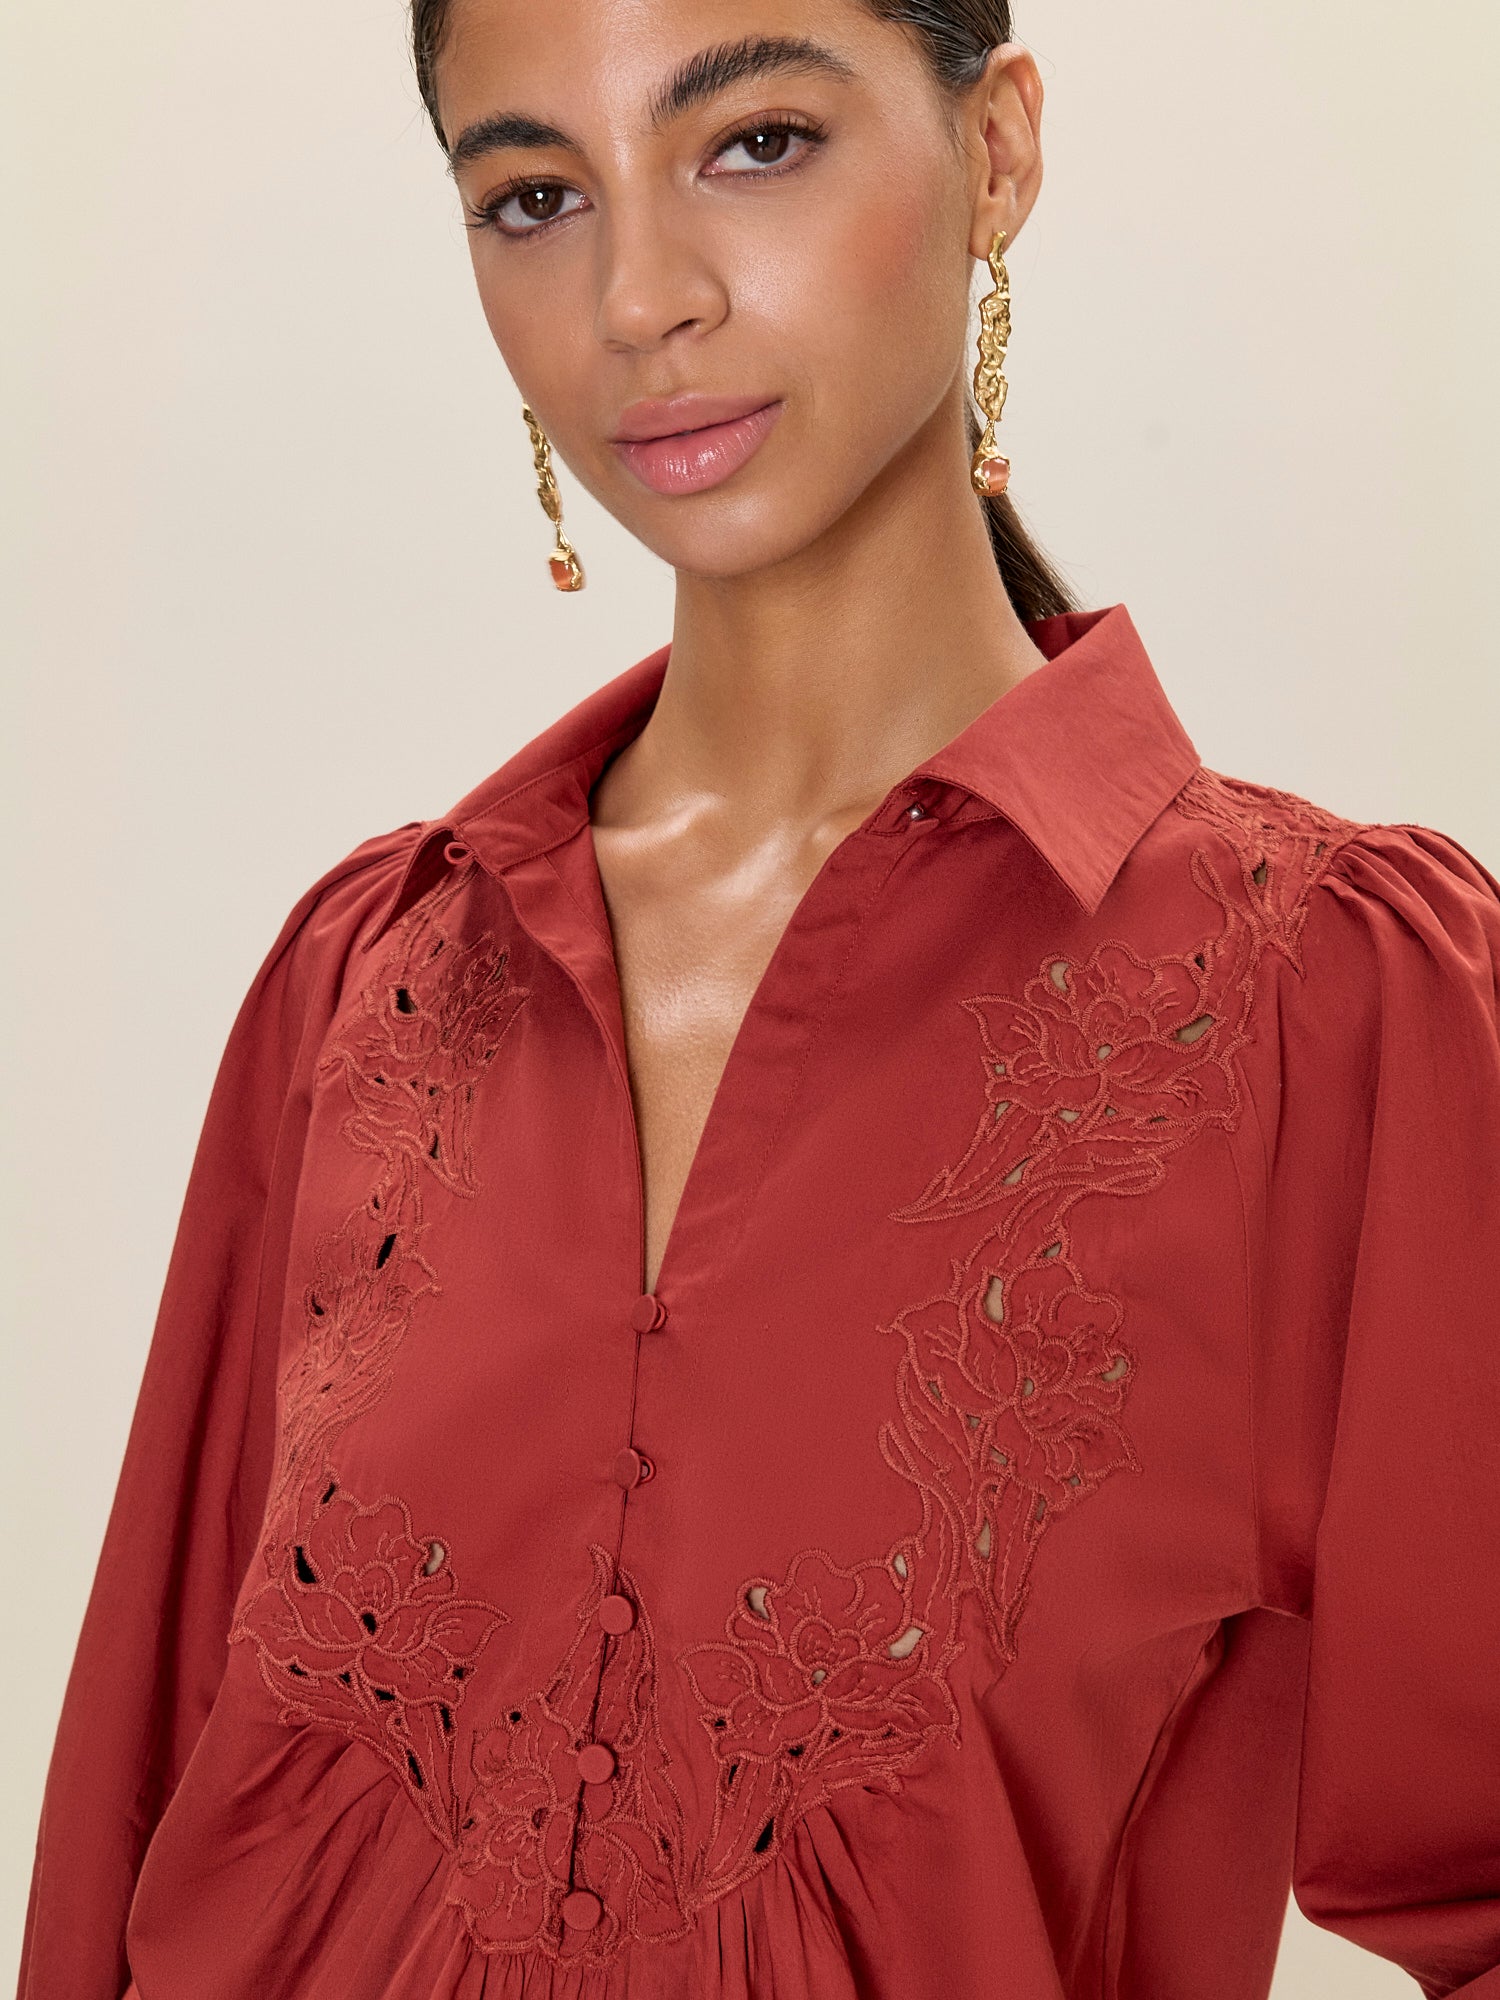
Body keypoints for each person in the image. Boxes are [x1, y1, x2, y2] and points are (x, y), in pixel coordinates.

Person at [19, 2, 1500, 1996]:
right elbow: (115, 1864)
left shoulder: (1323, 1008)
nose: (638, 299)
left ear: (996, 154)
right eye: (534, 197)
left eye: (757, 144)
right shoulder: (369, 988)